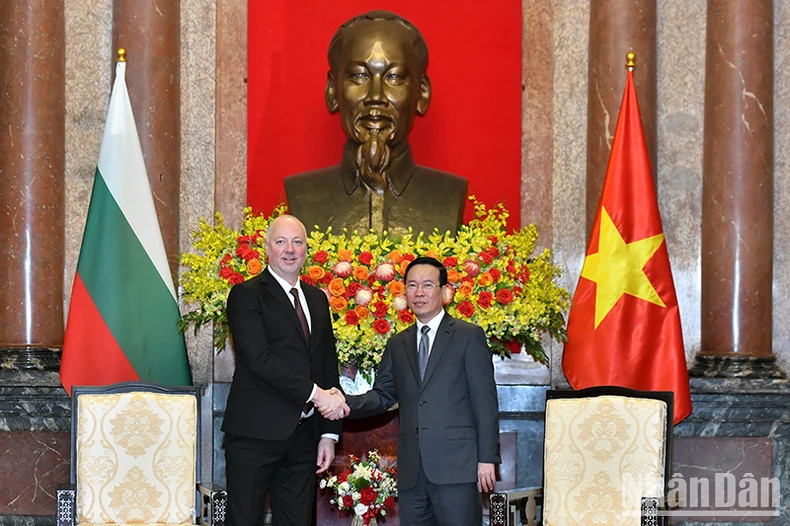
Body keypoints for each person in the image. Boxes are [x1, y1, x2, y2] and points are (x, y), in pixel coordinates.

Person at [325, 256, 500, 525]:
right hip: (412, 473)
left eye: (428, 285)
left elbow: (485, 402)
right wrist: (343, 403)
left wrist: (487, 459)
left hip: (457, 469)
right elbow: (382, 396)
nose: (419, 292)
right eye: (412, 285)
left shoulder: (468, 336)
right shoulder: (398, 343)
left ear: (444, 291)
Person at [284, 10, 468, 238]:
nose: (375, 96)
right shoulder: (303, 195)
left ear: (421, 94)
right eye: (359, 76)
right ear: (332, 91)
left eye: (394, 77)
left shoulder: (449, 195)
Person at [221, 214, 348, 526]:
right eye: (281, 242)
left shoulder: (317, 299)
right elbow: (258, 359)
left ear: (306, 250)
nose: (289, 249)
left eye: (297, 242)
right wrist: (317, 395)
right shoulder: (246, 294)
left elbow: (325, 362)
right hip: (254, 434)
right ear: (267, 249)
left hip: (304, 437)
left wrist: (329, 433)